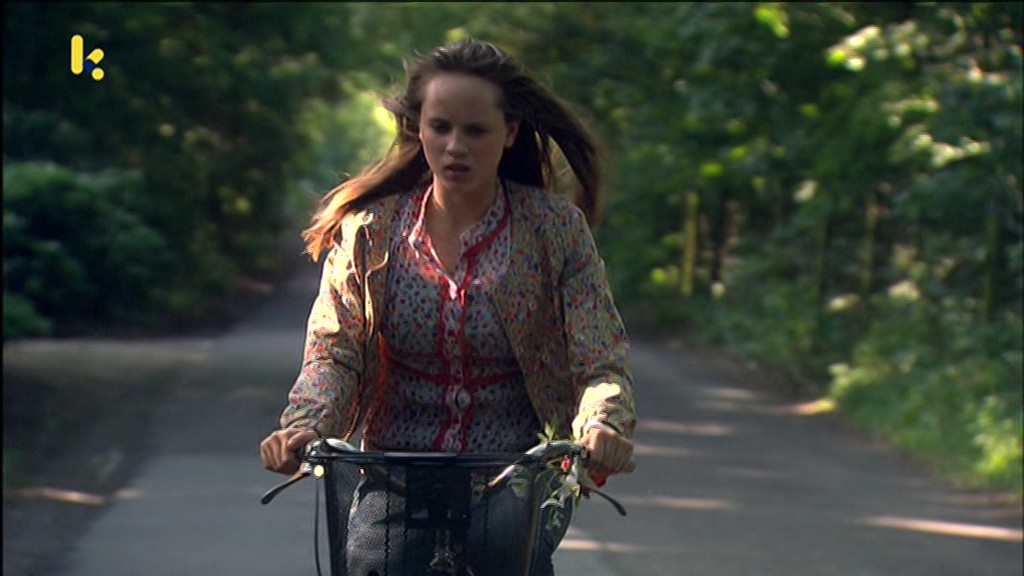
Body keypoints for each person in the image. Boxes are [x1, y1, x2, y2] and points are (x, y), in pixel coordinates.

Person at [259, 38, 636, 575]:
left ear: (509, 133)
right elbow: (333, 351)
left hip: (515, 469)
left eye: (476, 130)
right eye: (441, 127)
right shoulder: (370, 231)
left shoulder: (554, 230)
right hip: (396, 470)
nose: (456, 146)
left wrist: (603, 424)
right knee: (371, 561)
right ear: (419, 128)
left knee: (504, 550)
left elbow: (599, 359)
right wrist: (306, 424)